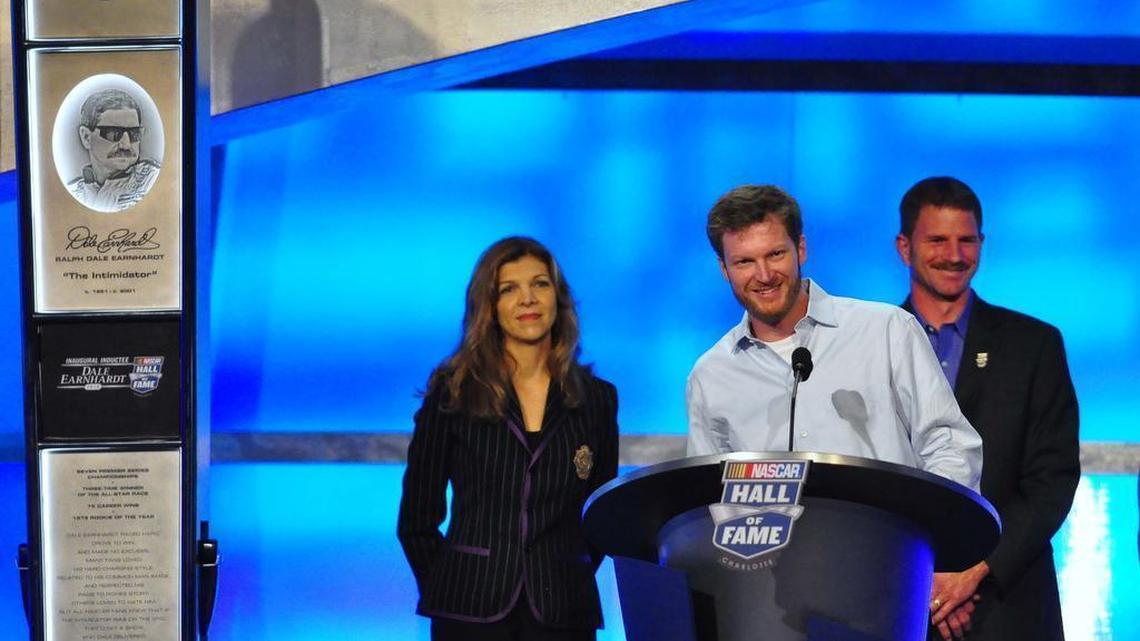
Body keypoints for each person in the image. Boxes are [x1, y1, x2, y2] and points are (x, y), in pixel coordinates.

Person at [685, 184, 982, 491]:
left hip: (881, 536)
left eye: (775, 254)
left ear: (801, 248)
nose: (763, 275)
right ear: (724, 268)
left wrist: (919, 525)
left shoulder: (885, 331)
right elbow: (709, 495)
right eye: (744, 262)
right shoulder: (711, 375)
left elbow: (950, 448)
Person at [397, 236, 619, 641]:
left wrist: (566, 573)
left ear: (559, 297)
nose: (527, 300)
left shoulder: (598, 399)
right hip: (468, 613)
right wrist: (448, 585)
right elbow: (416, 519)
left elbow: (599, 515)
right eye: (509, 289)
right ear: (490, 306)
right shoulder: (453, 392)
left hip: (564, 612)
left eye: (540, 284)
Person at [896, 177, 1079, 641]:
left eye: (967, 239)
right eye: (937, 239)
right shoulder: (869, 347)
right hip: (895, 602)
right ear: (904, 247)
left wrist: (973, 571)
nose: (954, 255)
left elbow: (1051, 479)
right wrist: (927, 579)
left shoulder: (1034, 346)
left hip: (1006, 604)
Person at [67, 88, 161, 212]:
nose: (126, 145)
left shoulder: (155, 181)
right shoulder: (73, 192)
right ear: (86, 137)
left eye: (134, 134)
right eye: (113, 133)